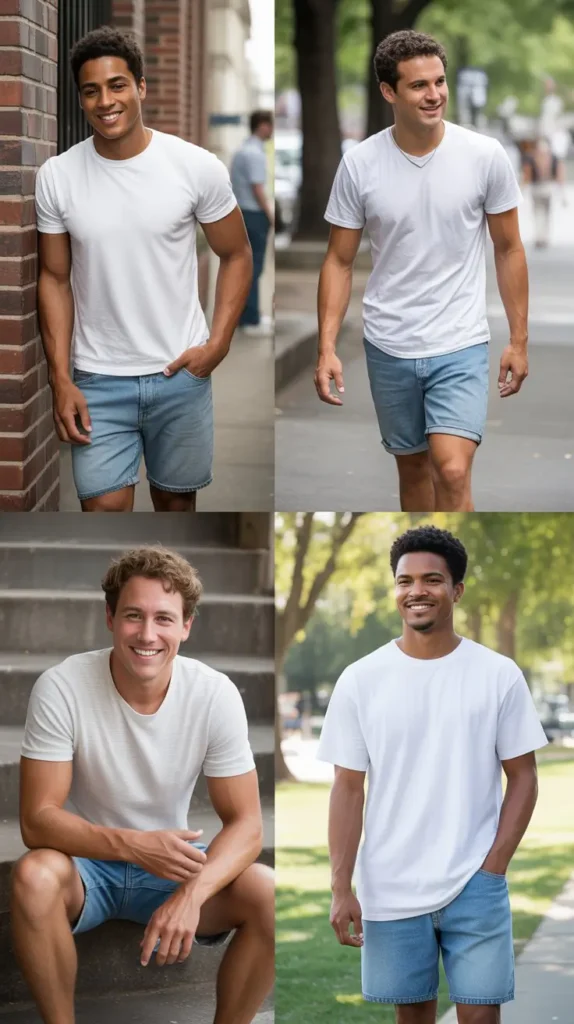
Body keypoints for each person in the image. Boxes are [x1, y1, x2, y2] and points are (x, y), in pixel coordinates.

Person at [10, 546, 274, 1024]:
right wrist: (133, 845)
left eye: (164, 619)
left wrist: (191, 897)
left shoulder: (215, 695)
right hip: (87, 865)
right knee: (32, 875)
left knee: (268, 891)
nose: (148, 634)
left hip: (173, 867)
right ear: (110, 617)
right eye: (133, 616)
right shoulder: (62, 686)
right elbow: (37, 819)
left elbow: (249, 825)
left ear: (187, 626)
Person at [317, 525, 548, 1024]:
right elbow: (348, 788)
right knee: (413, 1017)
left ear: (457, 590)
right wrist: (341, 886)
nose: (416, 591)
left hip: (475, 883)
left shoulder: (497, 674)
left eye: (432, 580)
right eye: (404, 581)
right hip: (391, 885)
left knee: (482, 1019)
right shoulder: (361, 680)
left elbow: (524, 777)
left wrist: (493, 868)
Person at [35, 27, 253, 513]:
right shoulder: (58, 177)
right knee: (103, 511)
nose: (105, 101)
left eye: (117, 85)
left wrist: (218, 343)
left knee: (176, 510)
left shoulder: (195, 167)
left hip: (179, 375)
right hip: (96, 379)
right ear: (80, 99)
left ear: (141, 87)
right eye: (91, 91)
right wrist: (60, 379)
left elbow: (236, 253)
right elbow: (53, 278)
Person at [315, 30, 529, 513]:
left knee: (451, 468)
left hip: (460, 340)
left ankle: (454, 567)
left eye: (439, 81)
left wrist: (519, 339)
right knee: (412, 470)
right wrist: (326, 347)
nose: (435, 95)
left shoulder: (484, 156)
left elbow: (510, 249)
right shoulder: (361, 165)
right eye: (419, 86)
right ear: (389, 92)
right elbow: (339, 260)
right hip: (389, 342)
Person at [230, 111, 274, 334]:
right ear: (263, 126)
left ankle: (242, 317)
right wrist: (271, 215)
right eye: (271, 125)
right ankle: (251, 320)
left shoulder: (240, 151)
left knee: (244, 266)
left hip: (241, 213)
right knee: (254, 268)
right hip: (254, 214)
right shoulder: (255, 154)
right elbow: (258, 188)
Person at [522, 137, 567, 248]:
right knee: (546, 213)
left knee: (538, 213)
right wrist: (562, 194)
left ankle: (539, 237)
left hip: (537, 187)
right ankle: (544, 237)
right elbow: (559, 176)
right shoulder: (553, 158)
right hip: (547, 187)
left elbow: (526, 176)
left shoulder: (532, 157)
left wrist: (521, 190)